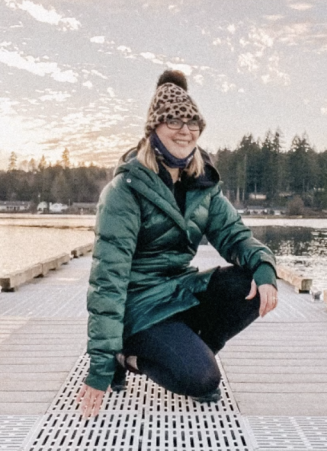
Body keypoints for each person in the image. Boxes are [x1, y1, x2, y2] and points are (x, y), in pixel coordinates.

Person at [77, 69, 278, 418]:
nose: (185, 130)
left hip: (179, 292)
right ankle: (128, 356)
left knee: (248, 283)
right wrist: (100, 366)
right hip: (139, 307)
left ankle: (193, 350)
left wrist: (263, 267)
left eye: (192, 122)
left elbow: (235, 235)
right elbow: (107, 283)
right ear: (153, 128)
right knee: (203, 380)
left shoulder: (202, 185)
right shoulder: (124, 192)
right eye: (173, 120)